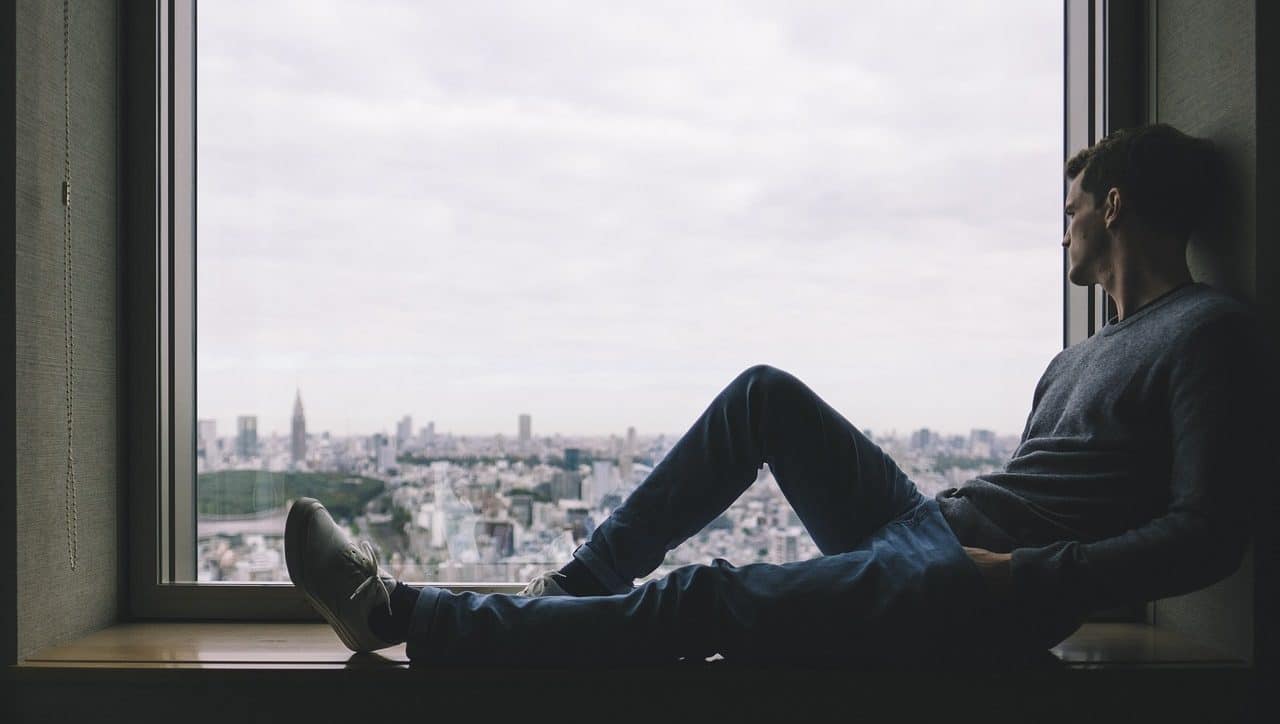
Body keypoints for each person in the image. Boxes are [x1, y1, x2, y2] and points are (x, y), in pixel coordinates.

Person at [284, 123, 1274, 667]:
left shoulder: (1206, 330)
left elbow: (1206, 534)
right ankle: (577, 586)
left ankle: (397, 614)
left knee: (706, 596)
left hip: (976, 586)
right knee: (761, 395)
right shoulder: (1072, 360)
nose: (1060, 232)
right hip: (941, 536)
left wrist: (1019, 577)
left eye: (1069, 211)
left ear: (1111, 207)